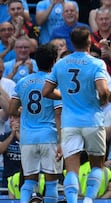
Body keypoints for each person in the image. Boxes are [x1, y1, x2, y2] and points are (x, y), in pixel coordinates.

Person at [42, 27, 110, 203]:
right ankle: (88, 199)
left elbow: (46, 91)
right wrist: (102, 100)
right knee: (98, 164)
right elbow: (103, 91)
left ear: (72, 43)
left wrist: (64, 95)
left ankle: (72, 201)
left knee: (72, 168)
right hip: (92, 120)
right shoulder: (96, 63)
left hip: (69, 122)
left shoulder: (60, 64)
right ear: (89, 42)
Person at [9, 43, 62, 203]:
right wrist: (62, 141)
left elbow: (12, 110)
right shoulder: (54, 84)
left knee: (29, 181)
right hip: (49, 136)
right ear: (53, 62)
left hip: (27, 138)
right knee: (51, 182)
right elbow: (58, 113)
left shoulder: (23, 82)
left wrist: (24, 111)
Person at [0, 116, 21, 189]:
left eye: (14, 117)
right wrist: (12, 135)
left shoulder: (28, 136)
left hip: (24, 178)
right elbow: (0, 150)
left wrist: (18, 135)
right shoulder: (5, 136)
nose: (11, 120)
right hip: (8, 179)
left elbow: (32, 152)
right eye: (10, 117)